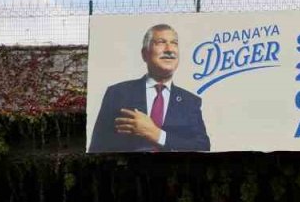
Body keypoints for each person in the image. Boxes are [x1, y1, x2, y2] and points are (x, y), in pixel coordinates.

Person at [89, 24, 210, 153]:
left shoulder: (190, 102)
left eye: (174, 43)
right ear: (145, 54)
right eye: (161, 42)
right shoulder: (118, 93)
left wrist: (158, 135)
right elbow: (97, 148)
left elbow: (203, 147)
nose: (169, 49)